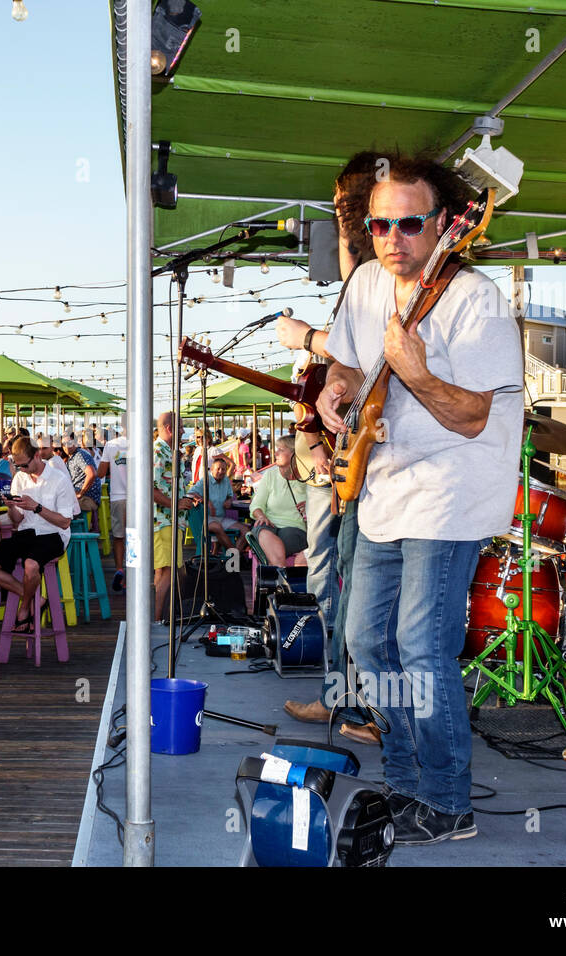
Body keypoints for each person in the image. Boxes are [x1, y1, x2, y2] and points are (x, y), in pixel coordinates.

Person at [314, 153, 523, 846]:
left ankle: (447, 798)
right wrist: (335, 389)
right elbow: (348, 361)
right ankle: (404, 780)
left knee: (420, 646)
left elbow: (471, 416)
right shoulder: (369, 284)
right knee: (364, 639)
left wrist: (418, 372)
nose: (393, 239)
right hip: (386, 483)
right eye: (380, 225)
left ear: (443, 223)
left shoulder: (477, 301)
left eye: (409, 223)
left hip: (455, 484)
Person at [278, 151, 382, 734]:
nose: (340, 223)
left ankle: (362, 705)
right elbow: (350, 371)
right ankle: (342, 698)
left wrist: (308, 339)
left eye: (346, 207)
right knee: (338, 587)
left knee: (360, 597)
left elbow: (378, 358)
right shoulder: (356, 288)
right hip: (351, 467)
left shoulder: (381, 285)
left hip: (377, 477)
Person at [0, 436, 76, 635]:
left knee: (31, 565)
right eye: (18, 466)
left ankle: (24, 608)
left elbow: (65, 522)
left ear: (36, 456)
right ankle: (38, 601)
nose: (21, 469)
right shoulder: (19, 477)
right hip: (27, 532)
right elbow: (17, 520)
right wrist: (12, 507)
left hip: (54, 533)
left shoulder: (59, 479)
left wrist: (37, 507)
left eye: (24, 465)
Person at [153, 411, 200, 625]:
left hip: (172, 519)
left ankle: (167, 615)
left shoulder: (170, 451)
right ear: (170, 428)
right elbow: (150, 488)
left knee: (171, 570)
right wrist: (176, 503)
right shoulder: (158, 452)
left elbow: (166, 487)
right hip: (163, 520)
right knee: (169, 571)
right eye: (181, 428)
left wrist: (187, 497)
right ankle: (158, 619)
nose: (183, 432)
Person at [249, 435, 309, 566]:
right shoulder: (271, 475)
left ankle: (277, 577)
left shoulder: (308, 479)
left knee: (286, 538)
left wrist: (310, 507)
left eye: (281, 450)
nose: (275, 453)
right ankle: (280, 575)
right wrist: (261, 516)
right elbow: (256, 505)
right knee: (263, 531)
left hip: (295, 528)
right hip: (268, 523)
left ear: (294, 453)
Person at [97, 418, 129, 590]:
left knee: (118, 537)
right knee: (135, 537)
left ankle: (119, 569)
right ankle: (134, 572)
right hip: (138, 497)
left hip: (117, 495)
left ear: (121, 426)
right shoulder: (142, 442)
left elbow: (101, 472)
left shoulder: (111, 445)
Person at [203, 454, 246, 552]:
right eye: (218, 469)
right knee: (218, 528)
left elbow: (230, 496)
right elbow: (192, 495)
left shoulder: (225, 481)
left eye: (223, 469)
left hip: (222, 518)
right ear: (212, 470)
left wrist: (229, 500)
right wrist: (207, 502)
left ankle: (233, 557)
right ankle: (234, 556)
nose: (221, 471)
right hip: (207, 520)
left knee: (246, 531)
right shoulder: (204, 482)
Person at [64, 436, 101, 524]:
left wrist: (81, 493)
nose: (66, 446)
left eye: (69, 443)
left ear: (76, 444)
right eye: (63, 444)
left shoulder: (79, 455)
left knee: (59, 509)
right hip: (84, 497)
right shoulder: (72, 457)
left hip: (87, 498)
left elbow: (92, 473)